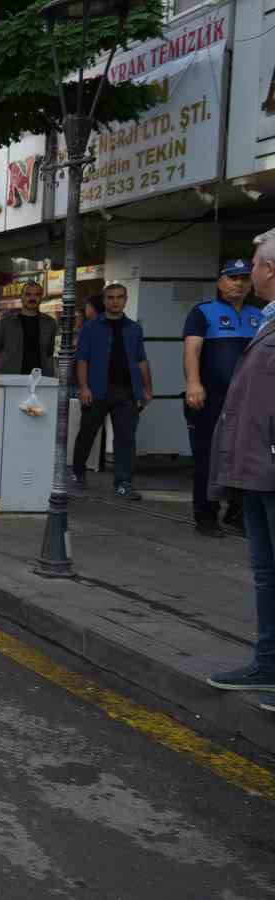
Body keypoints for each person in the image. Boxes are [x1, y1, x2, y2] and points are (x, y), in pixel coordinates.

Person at [206, 230, 275, 699]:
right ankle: (266, 664)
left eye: (253, 263)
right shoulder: (268, 319)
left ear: (270, 270)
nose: (248, 273)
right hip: (254, 466)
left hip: (270, 464)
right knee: (265, 572)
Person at [185, 259, 263, 538]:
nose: (239, 284)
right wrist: (194, 383)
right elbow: (192, 351)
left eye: (244, 278)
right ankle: (205, 515)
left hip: (249, 402)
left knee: (246, 458)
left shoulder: (261, 315)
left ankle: (237, 513)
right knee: (209, 458)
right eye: (232, 278)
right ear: (220, 282)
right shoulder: (203, 312)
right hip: (210, 399)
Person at [73, 283, 152, 499]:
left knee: (126, 438)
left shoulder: (134, 329)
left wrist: (147, 389)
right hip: (97, 390)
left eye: (119, 297)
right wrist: (84, 387)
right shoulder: (90, 327)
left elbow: (141, 359)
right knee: (87, 433)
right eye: (110, 297)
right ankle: (78, 473)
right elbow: (82, 360)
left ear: (125, 300)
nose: (114, 301)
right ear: (104, 301)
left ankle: (123, 482)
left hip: (126, 391)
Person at [0, 282, 56, 375]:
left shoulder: (49, 323)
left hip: (39, 381)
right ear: (21, 297)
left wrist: (50, 380)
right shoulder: (7, 322)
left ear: (41, 298)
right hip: (9, 380)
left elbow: (49, 355)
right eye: (28, 294)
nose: (32, 298)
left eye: (37, 295)